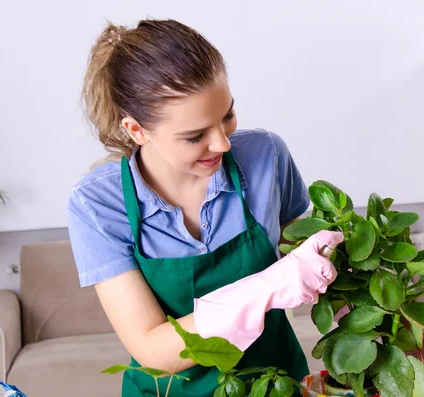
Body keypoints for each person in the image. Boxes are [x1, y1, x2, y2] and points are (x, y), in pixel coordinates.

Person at [67, 18, 344, 397]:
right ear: (136, 130)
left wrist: (381, 326)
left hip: (277, 385)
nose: (222, 144)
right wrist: (266, 286)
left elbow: (317, 266)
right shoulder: (98, 203)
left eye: (227, 115)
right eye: (195, 136)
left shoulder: (265, 157)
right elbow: (153, 349)